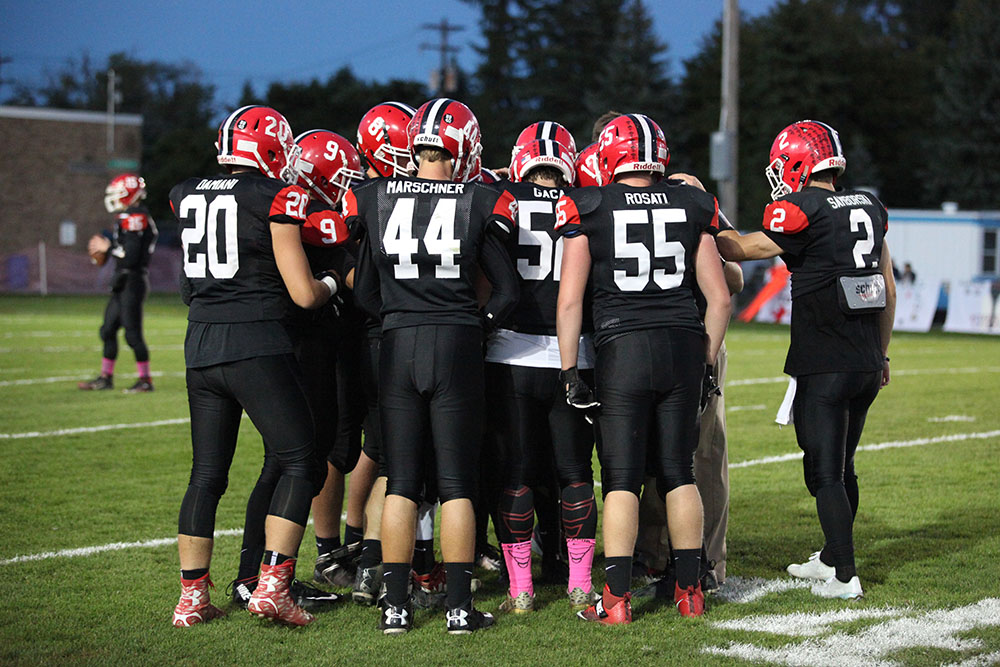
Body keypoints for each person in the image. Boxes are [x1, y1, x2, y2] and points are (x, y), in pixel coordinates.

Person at [344, 97, 519, 634]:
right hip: (457, 344)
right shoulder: (482, 196)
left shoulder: (372, 195)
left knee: (401, 479)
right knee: (458, 482)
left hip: (398, 345)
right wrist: (474, 323)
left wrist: (401, 316)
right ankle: (460, 609)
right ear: (464, 148)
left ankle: (395, 606)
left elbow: (365, 294)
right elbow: (507, 291)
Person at [556, 113, 731, 623]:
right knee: (679, 473)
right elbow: (718, 298)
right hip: (681, 345)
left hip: (622, 347)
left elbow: (570, 302)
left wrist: (570, 370)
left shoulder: (588, 204)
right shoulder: (694, 202)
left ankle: (614, 599)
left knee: (621, 479)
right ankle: (690, 593)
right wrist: (705, 364)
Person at [170, 105, 337, 628]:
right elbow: (304, 295)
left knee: (206, 475)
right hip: (256, 343)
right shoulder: (276, 197)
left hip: (200, 344)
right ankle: (272, 587)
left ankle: (191, 599)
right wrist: (332, 281)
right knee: (302, 461)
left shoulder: (186, 193)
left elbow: (185, 287)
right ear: (270, 150)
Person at [715, 119, 896, 600]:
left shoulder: (802, 207)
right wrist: (882, 352)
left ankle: (844, 576)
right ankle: (833, 557)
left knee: (823, 471)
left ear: (798, 161)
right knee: (843, 465)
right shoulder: (869, 206)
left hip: (825, 357)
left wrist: (706, 216)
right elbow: (888, 286)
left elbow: (742, 247)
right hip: (863, 357)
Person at [228, 129, 362, 612]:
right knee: (290, 464)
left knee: (288, 464)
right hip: (301, 351)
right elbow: (349, 285)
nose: (349, 185)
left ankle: (261, 577)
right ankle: (261, 578)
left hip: (297, 349)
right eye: (341, 178)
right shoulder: (303, 218)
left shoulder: (287, 210)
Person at [487, 138, 599, 614]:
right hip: (574, 355)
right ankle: (578, 582)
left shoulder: (502, 199)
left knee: (515, 474)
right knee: (575, 473)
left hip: (510, 354)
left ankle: (520, 589)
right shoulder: (588, 202)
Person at [79, 173, 158, 393]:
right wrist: (108, 249)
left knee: (132, 334)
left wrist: (108, 248)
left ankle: (145, 380)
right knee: (107, 329)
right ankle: (106, 377)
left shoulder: (136, 217)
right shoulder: (128, 216)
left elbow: (131, 256)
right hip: (123, 278)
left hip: (133, 278)